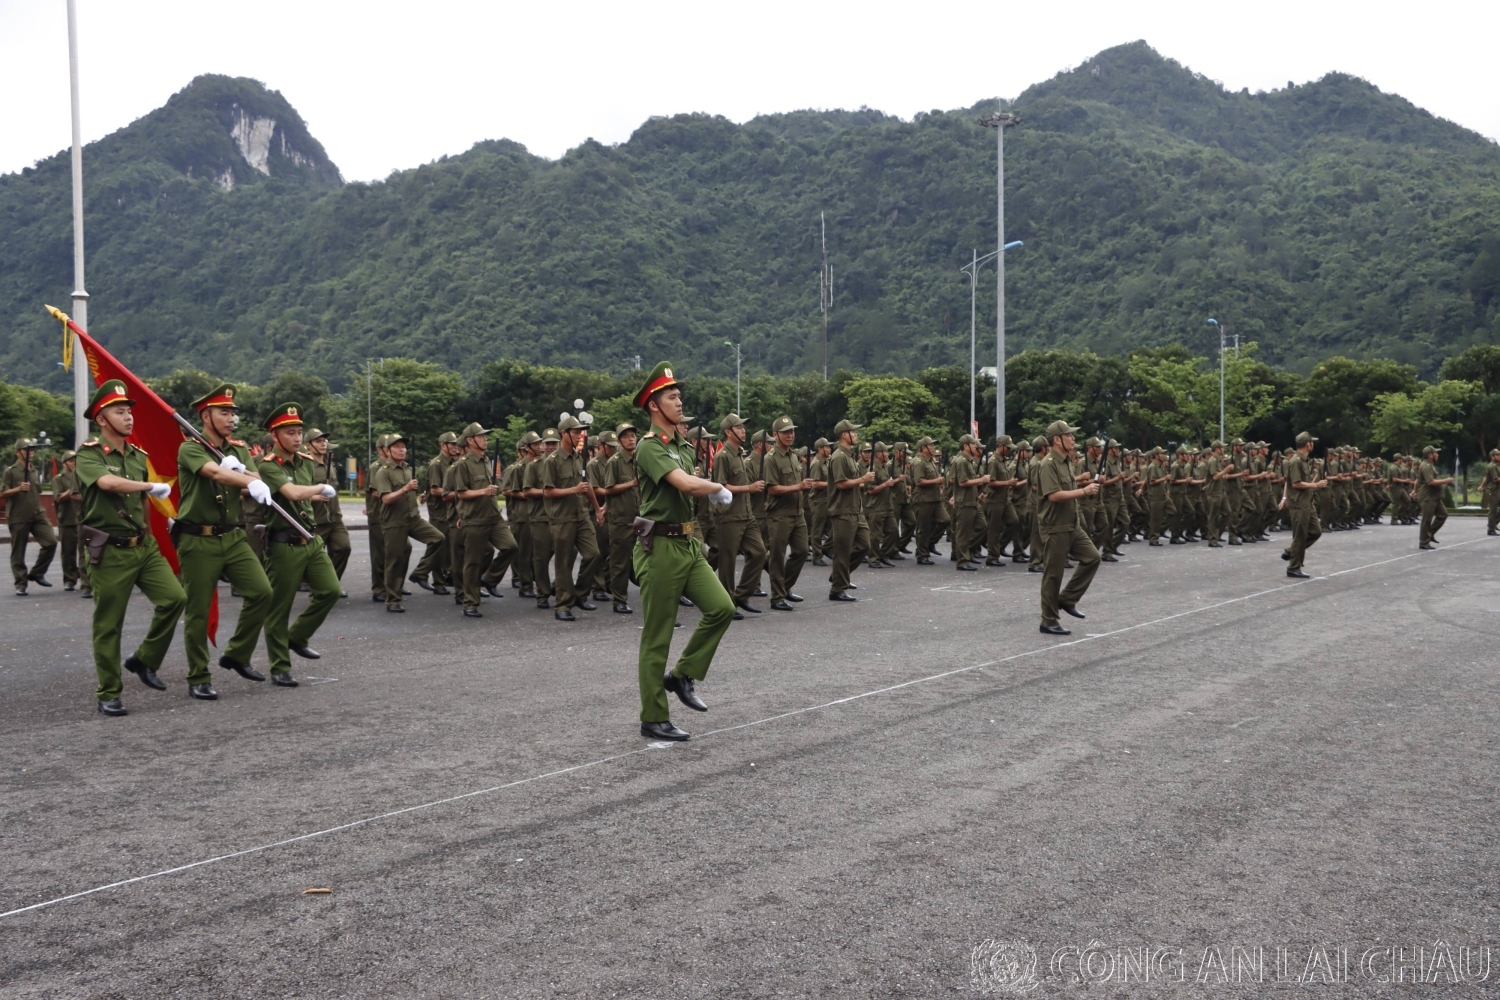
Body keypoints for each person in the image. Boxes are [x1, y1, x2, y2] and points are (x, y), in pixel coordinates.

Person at [630, 362, 735, 741]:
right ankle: (653, 717)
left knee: (722, 608)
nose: (679, 401)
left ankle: (681, 674)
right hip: (659, 547)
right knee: (657, 636)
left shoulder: (682, 446)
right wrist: (716, 485)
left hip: (688, 544)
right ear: (654, 405)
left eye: (678, 396)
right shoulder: (649, 447)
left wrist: (710, 488)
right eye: (672, 397)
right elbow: (684, 485)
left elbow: (690, 482)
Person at [74, 380, 186, 716]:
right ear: (102, 418)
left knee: (175, 598)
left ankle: (144, 659)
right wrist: (151, 485)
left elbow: (142, 503)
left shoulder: (139, 457)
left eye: (129, 411)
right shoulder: (89, 454)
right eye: (119, 412)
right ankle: (109, 691)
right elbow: (108, 483)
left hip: (143, 545)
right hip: (109, 549)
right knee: (109, 624)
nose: (128, 417)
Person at [175, 382, 277, 698]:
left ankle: (237, 653)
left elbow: (256, 480)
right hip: (198, 537)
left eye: (233, 412)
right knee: (199, 609)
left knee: (262, 592)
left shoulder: (238, 448)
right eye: (224, 412)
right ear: (206, 416)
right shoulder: (191, 446)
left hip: (231, 535)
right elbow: (216, 474)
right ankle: (198, 676)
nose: (231, 418)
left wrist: (244, 471)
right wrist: (235, 473)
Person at [255, 403, 341, 684]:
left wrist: (313, 496)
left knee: (330, 590)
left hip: (309, 538)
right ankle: (280, 667)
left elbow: (299, 496)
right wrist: (318, 488)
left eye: (299, 432)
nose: (297, 438)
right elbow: (290, 491)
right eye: (290, 433)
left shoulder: (304, 462)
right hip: (284, 543)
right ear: (275, 436)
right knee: (279, 607)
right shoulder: (267, 466)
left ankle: (297, 637)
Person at [1036, 420, 1101, 636]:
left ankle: (1067, 599)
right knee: (1053, 574)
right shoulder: (1048, 463)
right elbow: (1054, 495)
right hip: (1055, 526)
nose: (1073, 439)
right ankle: (1048, 620)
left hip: (1071, 525)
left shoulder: (1066, 462)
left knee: (1092, 557)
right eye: (1069, 435)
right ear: (1057, 439)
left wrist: (1082, 487)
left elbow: (1067, 487)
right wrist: (1084, 491)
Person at [448, 422, 519, 617]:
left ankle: (489, 579)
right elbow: (461, 493)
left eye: (485, 436)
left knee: (510, 546)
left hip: (493, 516)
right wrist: (483, 491)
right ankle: (470, 602)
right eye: (481, 436)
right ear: (470, 440)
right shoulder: (462, 465)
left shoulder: (487, 460)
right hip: (475, 519)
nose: (485, 439)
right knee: (472, 562)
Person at [372, 432, 445, 613]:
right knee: (394, 560)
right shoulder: (384, 472)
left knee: (438, 538)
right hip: (394, 522)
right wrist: (405, 489)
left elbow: (409, 492)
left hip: (413, 518)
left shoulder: (406, 468)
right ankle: (392, 600)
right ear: (388, 451)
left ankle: (420, 573)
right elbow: (386, 499)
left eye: (403, 446)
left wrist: (420, 495)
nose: (402, 449)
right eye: (397, 446)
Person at [542, 415, 603, 622]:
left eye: (580, 432)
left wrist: (597, 509)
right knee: (564, 563)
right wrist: (572, 489)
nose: (579, 435)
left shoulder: (579, 457)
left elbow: (588, 487)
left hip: (582, 515)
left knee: (594, 554)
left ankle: (578, 593)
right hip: (562, 518)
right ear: (564, 434)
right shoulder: (552, 461)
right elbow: (548, 492)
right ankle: (562, 604)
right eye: (575, 432)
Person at [711, 413, 767, 618]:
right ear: (728, 432)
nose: (744, 431)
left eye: (744, 427)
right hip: (729, 516)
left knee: (760, 553)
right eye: (739, 428)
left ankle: (741, 595)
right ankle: (727, 604)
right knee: (728, 562)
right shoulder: (722, 456)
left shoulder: (739, 454)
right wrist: (748, 488)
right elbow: (720, 487)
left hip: (746, 514)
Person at [764, 415, 815, 610]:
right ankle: (777, 597)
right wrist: (798, 487)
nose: (790, 435)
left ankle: (784, 587)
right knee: (778, 556)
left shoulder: (794, 455)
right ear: (775, 435)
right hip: (780, 514)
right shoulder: (771, 459)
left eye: (792, 431)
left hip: (797, 513)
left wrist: (804, 486)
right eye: (786, 432)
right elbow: (773, 489)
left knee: (802, 551)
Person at [3, 438, 57, 595]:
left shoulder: (34, 470)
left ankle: (37, 573)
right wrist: (18, 488)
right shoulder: (11, 471)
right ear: (17, 452)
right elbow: (3, 492)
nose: (31, 453)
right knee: (18, 551)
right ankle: (21, 583)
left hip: (37, 513)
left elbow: (37, 491)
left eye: (32, 450)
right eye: (27, 450)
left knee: (51, 542)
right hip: (19, 515)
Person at [826, 419, 873, 599]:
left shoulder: (848, 456)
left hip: (855, 509)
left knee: (864, 545)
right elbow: (841, 484)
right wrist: (863, 479)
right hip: (843, 511)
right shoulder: (839, 456)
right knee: (843, 550)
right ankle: (837, 589)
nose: (856, 435)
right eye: (853, 432)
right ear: (844, 435)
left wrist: (860, 481)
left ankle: (839, 574)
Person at [411, 431, 459, 595]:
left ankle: (448, 577)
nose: (455, 447)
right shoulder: (436, 464)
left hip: (452, 511)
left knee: (452, 547)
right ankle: (438, 582)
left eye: (455, 444)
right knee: (440, 546)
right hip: (440, 511)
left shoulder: (454, 462)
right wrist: (456, 492)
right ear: (442, 445)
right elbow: (435, 489)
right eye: (452, 444)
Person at [601, 422, 642, 613]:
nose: (631, 439)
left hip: (640, 517)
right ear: (619, 441)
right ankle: (619, 599)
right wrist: (631, 483)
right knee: (620, 561)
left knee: (646, 557)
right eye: (626, 436)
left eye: (633, 435)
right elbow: (609, 489)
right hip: (621, 519)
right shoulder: (615, 461)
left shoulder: (640, 458)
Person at [306, 428, 351, 588]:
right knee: (314, 558)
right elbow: (296, 491)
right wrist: (314, 497)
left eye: (324, 441)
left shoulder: (329, 463)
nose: (323, 443)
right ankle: (317, 588)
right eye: (318, 441)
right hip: (317, 519)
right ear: (309, 446)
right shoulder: (305, 465)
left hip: (335, 518)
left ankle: (331, 584)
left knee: (344, 547)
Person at [53, 450, 87, 593]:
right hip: (67, 518)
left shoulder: (81, 475)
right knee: (68, 552)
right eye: (71, 461)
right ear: (65, 463)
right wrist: (71, 490)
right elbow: (58, 498)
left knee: (83, 551)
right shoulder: (59, 478)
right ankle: (69, 579)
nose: (74, 463)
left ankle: (84, 578)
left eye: (75, 460)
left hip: (81, 517)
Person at [1416, 444, 1453, 549]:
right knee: (1426, 519)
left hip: (1434, 496)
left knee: (1443, 515)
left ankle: (1430, 534)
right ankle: (1423, 542)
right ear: (1430, 455)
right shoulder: (1426, 466)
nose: (1437, 455)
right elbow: (1430, 482)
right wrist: (1446, 480)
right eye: (1435, 453)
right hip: (1428, 496)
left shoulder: (1430, 464)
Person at [1483, 448, 1500, 536]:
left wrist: (1482, 486)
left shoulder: (1496, 465)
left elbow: (1486, 478)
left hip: (1497, 490)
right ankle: (1491, 529)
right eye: (1497, 455)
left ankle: (1493, 524)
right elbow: (1496, 479)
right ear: (1492, 457)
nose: (1499, 456)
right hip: (1493, 491)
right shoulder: (1492, 466)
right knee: (1493, 510)